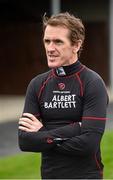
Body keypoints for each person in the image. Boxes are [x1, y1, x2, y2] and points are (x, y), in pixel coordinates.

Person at [18, 12, 109, 179]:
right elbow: (25, 141)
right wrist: (76, 128)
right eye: (47, 41)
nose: (50, 48)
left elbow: (89, 145)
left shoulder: (92, 83)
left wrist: (42, 134)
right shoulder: (37, 84)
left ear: (76, 45)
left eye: (58, 42)